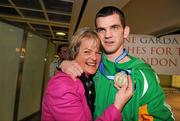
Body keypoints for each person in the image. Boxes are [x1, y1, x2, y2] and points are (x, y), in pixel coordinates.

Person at [60, 6, 175, 121]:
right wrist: (62, 64)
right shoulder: (91, 66)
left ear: (125, 32)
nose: (107, 35)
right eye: (101, 29)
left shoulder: (142, 74)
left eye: (114, 27)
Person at [41, 27, 133, 121]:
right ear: (75, 53)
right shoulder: (62, 85)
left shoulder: (88, 77)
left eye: (98, 52)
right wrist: (117, 105)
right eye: (87, 52)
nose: (94, 57)